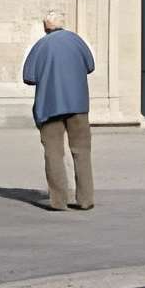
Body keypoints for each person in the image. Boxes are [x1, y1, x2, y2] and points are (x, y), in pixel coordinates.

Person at [22, 11, 96, 211]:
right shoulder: (77, 41)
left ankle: (58, 201)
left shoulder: (40, 45)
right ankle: (86, 199)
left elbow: (28, 77)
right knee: (82, 151)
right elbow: (90, 66)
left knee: (53, 153)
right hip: (78, 105)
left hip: (49, 105)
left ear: (46, 27)